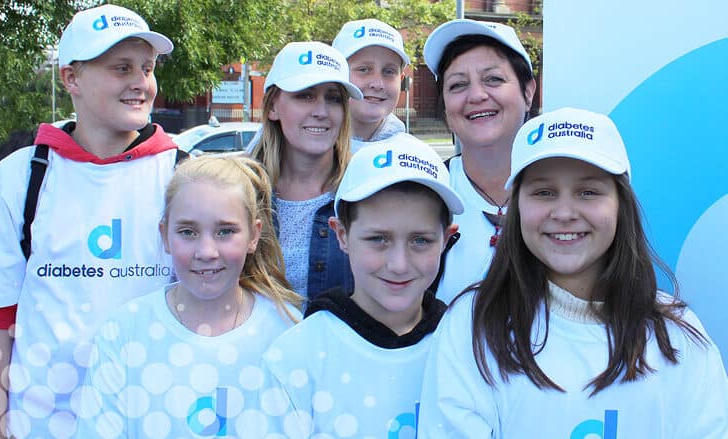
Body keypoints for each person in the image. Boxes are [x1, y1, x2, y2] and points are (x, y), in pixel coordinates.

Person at [417, 108, 728, 438]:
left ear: (620, 204)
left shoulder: (678, 337)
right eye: (544, 193)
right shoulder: (472, 324)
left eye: (588, 192)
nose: (564, 213)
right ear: (516, 206)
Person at [0, 5, 178, 437]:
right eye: (121, 68)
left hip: (156, 423)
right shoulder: (19, 177)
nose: (140, 82)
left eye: (147, 68)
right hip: (42, 427)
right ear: (71, 78)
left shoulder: (183, 175)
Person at [74, 155, 302, 437]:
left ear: (253, 236)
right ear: (165, 236)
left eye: (225, 231)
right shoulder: (124, 331)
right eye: (188, 232)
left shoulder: (288, 332)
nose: (206, 251)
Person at [261, 133, 463, 437]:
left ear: (446, 239)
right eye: (378, 239)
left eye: (420, 240)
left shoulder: (466, 349)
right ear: (341, 235)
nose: (398, 264)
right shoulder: (294, 357)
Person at [422, 19, 537, 303]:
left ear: (528, 92)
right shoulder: (425, 194)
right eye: (458, 85)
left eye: (493, 79)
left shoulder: (565, 199)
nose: (476, 95)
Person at [249, 41, 362, 301]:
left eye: (333, 98)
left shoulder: (362, 191)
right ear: (272, 107)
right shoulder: (239, 191)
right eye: (305, 96)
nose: (321, 112)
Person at [332, 18, 410, 151]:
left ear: (401, 79)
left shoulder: (411, 154)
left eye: (389, 72)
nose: (377, 84)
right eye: (364, 70)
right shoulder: (304, 150)